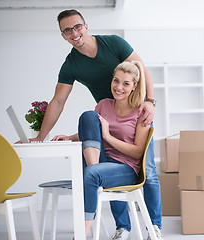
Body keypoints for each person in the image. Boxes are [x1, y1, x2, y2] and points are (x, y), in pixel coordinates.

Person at [31, 9, 162, 240]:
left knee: (149, 171)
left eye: (77, 26)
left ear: (86, 26)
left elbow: (142, 70)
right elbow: (58, 101)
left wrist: (150, 102)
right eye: (68, 30)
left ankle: (155, 227)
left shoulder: (113, 43)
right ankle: (123, 226)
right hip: (108, 114)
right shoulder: (71, 64)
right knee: (100, 158)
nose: (74, 33)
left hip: (135, 114)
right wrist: (42, 136)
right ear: (63, 35)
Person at [54, 61, 151, 239]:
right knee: (88, 116)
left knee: (90, 174)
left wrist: (108, 136)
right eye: (116, 81)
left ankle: (81, 234)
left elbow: (138, 152)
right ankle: (95, 175)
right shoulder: (104, 105)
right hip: (102, 161)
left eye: (126, 83)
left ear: (134, 86)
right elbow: (92, 131)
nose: (119, 87)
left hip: (126, 168)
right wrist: (69, 137)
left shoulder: (141, 112)